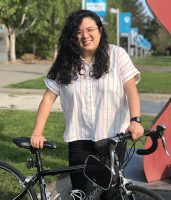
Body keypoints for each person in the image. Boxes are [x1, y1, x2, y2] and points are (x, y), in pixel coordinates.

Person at [30, 9, 144, 199]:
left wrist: (135, 120)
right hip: (80, 138)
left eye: (90, 29)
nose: (85, 36)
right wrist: (37, 132)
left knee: (111, 193)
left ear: (100, 30)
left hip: (112, 138)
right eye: (79, 32)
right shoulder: (66, 62)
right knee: (80, 194)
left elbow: (131, 89)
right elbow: (49, 98)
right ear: (73, 36)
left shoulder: (117, 55)